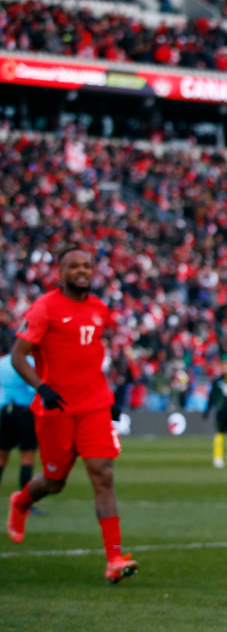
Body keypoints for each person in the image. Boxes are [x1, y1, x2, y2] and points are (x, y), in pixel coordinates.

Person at [6, 247, 138, 583]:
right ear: (60, 271)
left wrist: (106, 398)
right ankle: (21, 502)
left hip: (93, 406)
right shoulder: (44, 308)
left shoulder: (99, 309)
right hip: (56, 409)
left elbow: (91, 357)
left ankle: (114, 559)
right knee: (55, 481)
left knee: (103, 475)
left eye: (86, 266)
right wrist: (42, 388)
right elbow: (18, 355)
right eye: (74, 266)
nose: (82, 271)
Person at [0, 353, 48, 515]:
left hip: (5, 412)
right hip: (25, 412)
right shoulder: (30, 363)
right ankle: (26, 503)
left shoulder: (3, 362)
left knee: (1, 457)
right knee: (27, 457)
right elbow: (34, 387)